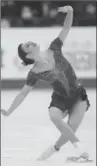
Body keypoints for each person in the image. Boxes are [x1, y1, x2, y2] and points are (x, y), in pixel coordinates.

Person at [1, 6, 91, 162]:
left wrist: (70, 11)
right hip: (60, 98)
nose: (30, 42)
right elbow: (22, 94)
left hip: (78, 95)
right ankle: (80, 148)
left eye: (28, 42)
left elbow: (66, 28)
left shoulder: (54, 48)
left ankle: (53, 149)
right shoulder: (34, 73)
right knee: (54, 115)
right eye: (27, 45)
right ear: (28, 54)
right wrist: (9, 111)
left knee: (70, 128)